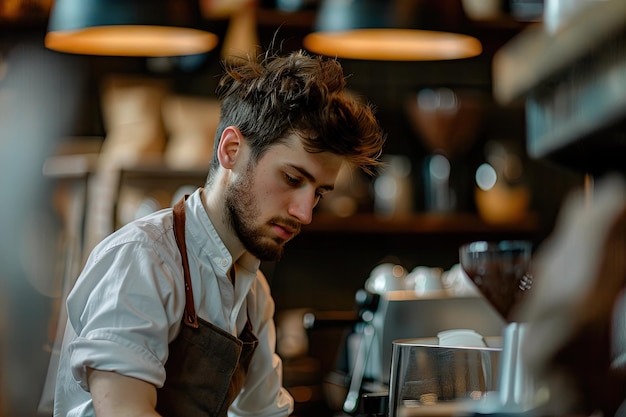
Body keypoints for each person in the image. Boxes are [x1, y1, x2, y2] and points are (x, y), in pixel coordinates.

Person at [53, 49, 386, 417]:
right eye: (292, 179)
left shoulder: (252, 294)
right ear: (231, 150)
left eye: (318, 193)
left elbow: (264, 413)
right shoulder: (142, 259)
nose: (305, 213)